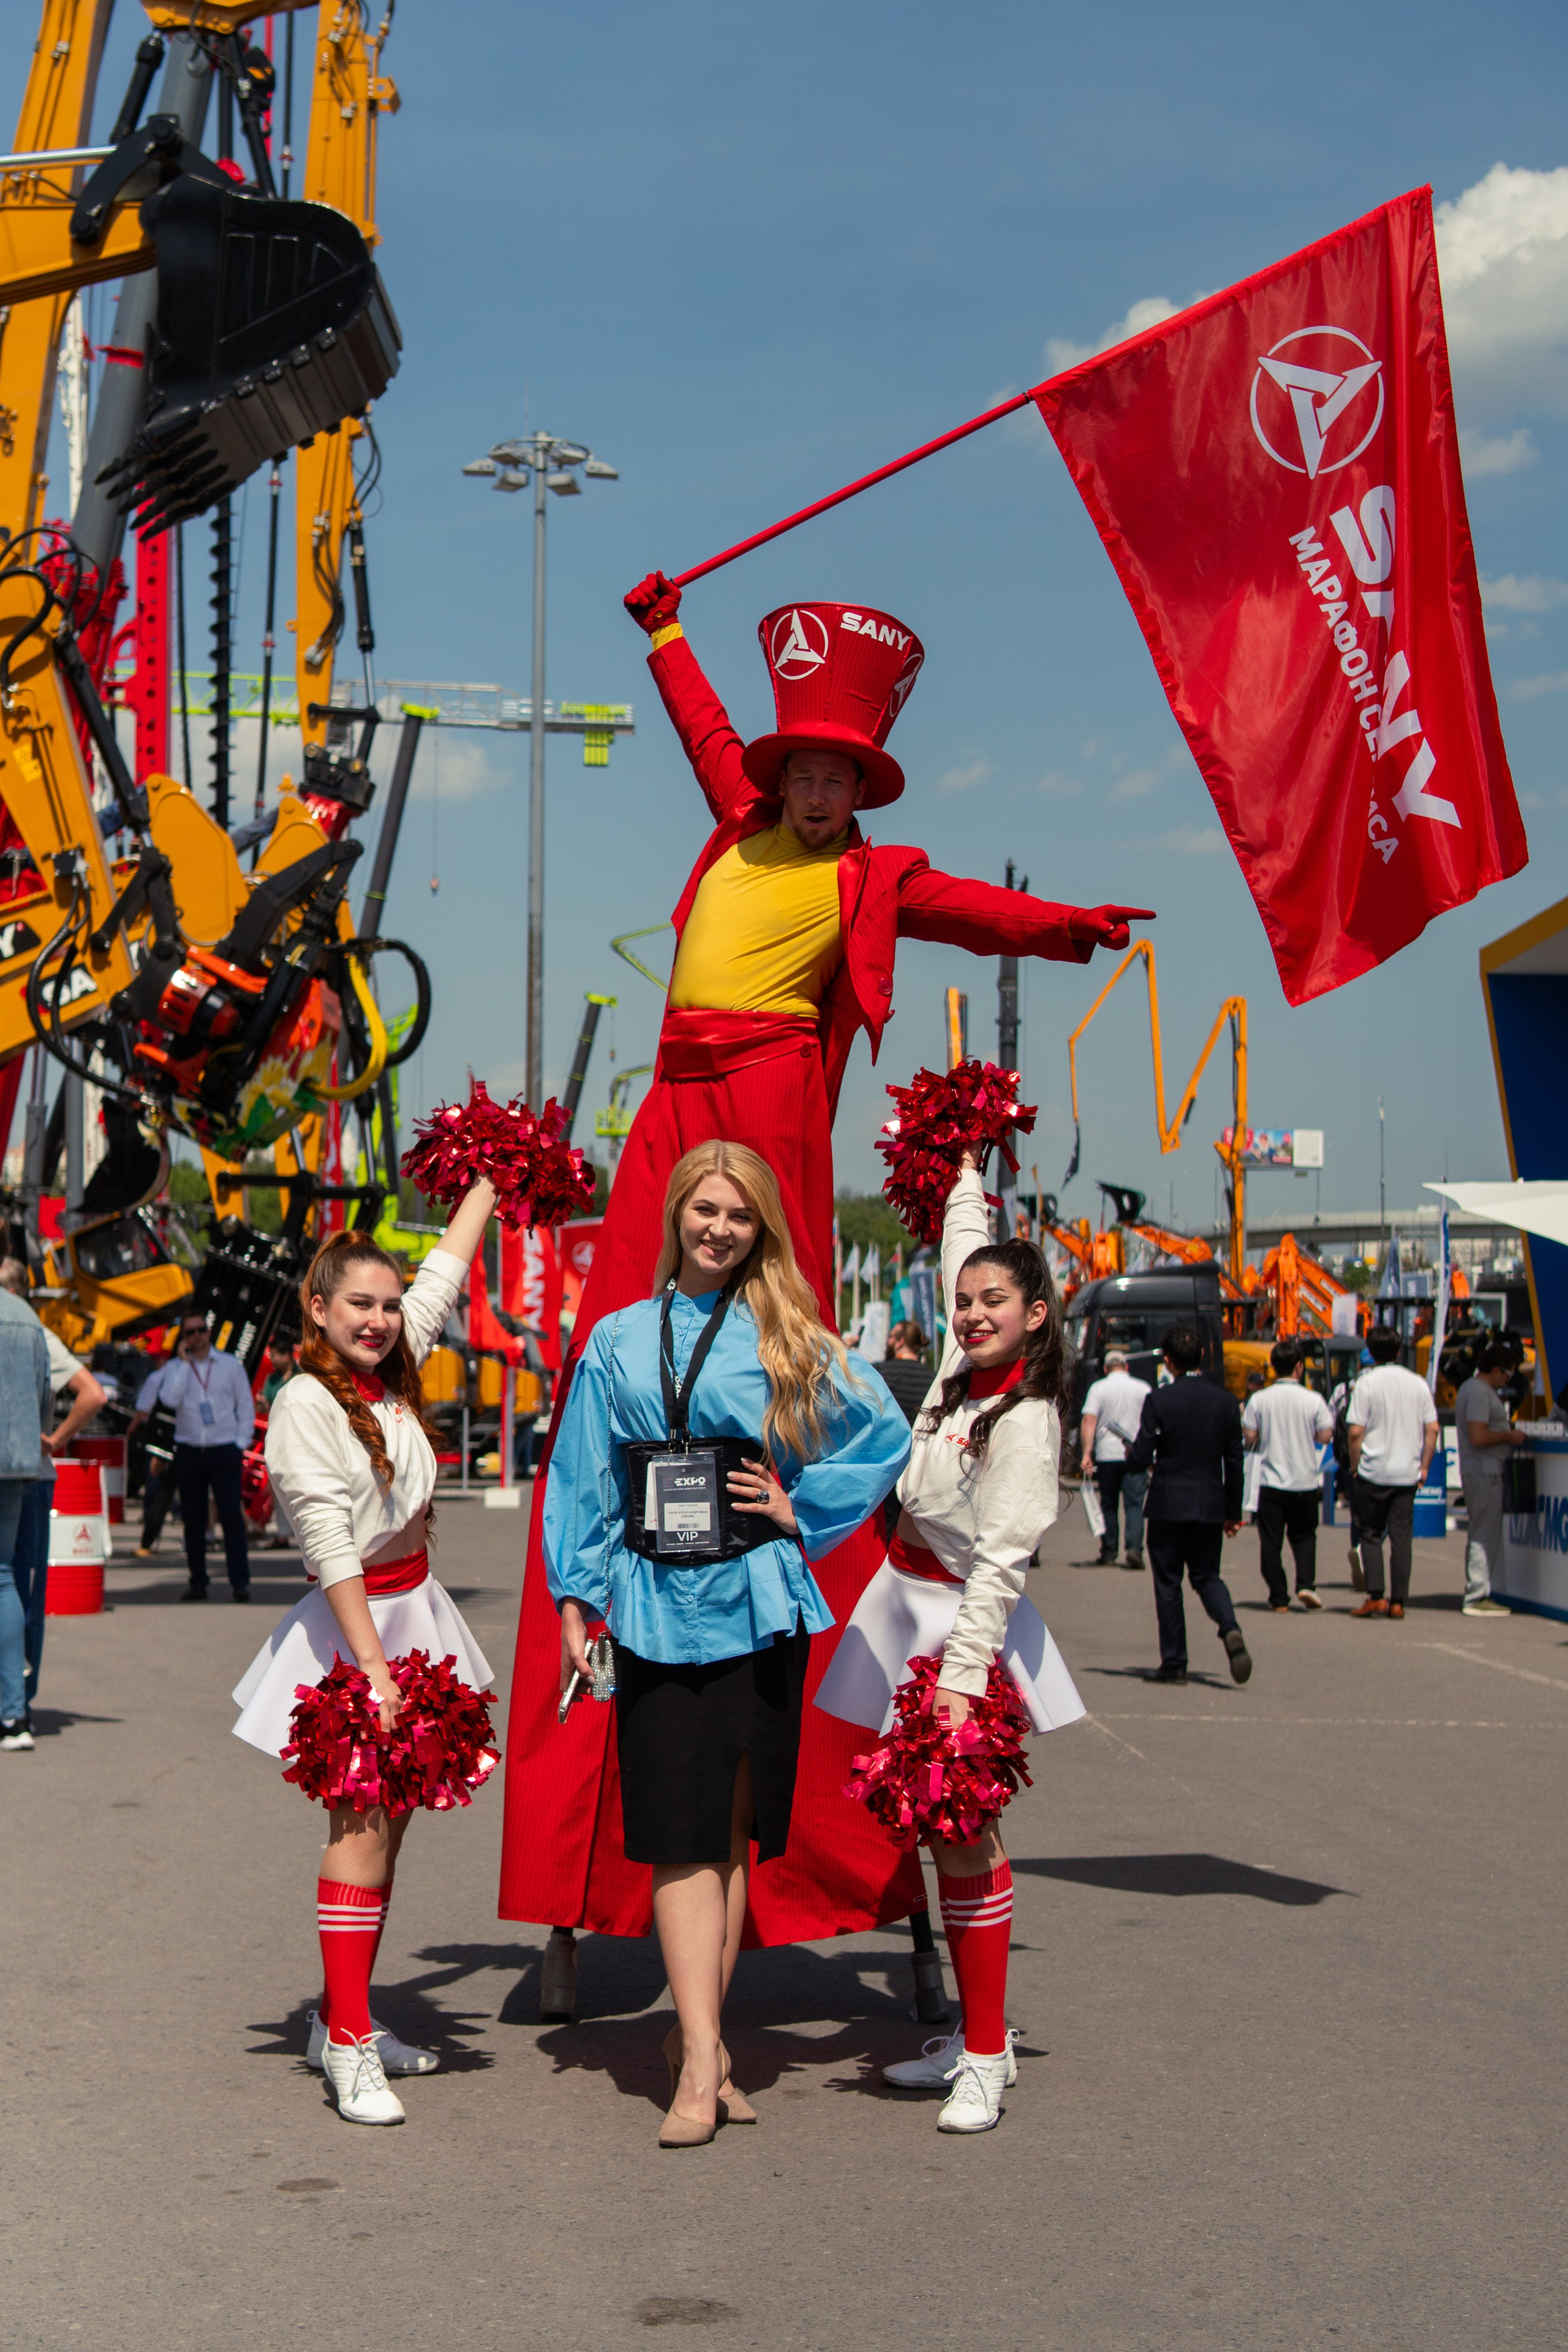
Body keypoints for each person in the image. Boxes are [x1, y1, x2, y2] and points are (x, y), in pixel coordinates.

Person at [499, 575, 1151, 1958]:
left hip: (774, 1080)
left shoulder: (873, 871)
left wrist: (1070, 928)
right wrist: (665, 633)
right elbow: (699, 733)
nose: (811, 788)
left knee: (780, 1331)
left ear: (858, 788)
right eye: (797, 767)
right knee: (623, 1341)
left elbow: (975, 908)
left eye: (833, 774)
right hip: (672, 1085)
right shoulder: (734, 826)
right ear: (777, 774)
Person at [546, 1142, 910, 2146]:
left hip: (757, 1601)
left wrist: (806, 1507)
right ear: (677, 1215)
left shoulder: (788, 1333)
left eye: (739, 1216)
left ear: (762, 1229)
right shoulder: (619, 1339)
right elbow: (582, 1471)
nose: (719, 1229)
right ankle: (703, 2055)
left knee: (735, 1829)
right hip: (655, 1604)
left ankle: (697, 2042)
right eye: (705, 1210)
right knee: (678, 1832)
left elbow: (883, 1437)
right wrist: (575, 1599)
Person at [817, 1153, 1084, 2134]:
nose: (974, 1313)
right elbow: (959, 1245)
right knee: (941, 1835)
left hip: (962, 1628)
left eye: (996, 1303)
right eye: (967, 1301)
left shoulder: (1025, 1422)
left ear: (1037, 1315)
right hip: (909, 1606)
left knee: (966, 1832)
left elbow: (1004, 1564)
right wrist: (964, 1165)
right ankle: (983, 2039)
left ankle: (982, 2055)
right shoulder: (957, 1373)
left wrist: (961, 1683)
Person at [232, 1185, 497, 2127]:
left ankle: (346, 2021)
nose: (382, 1320)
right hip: (358, 1636)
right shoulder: (307, 1399)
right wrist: (376, 1674)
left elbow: (444, 1278)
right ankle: (346, 2043)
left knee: (392, 1836)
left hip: (415, 1615)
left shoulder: (391, 1370)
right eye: (361, 1305)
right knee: (360, 1836)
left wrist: (489, 1179)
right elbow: (328, 1545)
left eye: (388, 1306)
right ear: (317, 1308)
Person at [0, 1260, 105, 1725]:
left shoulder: (27, 1330)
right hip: (34, 1472)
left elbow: (94, 1394)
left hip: (25, 1473)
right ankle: (19, 1694)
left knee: (13, 1584)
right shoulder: (37, 1333)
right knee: (20, 1586)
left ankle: (16, 1695)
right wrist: (54, 1439)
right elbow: (93, 1394)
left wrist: (57, 1439)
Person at [1123, 1327, 1252, 1686]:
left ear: (1168, 1361)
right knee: (1207, 1575)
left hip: (1168, 1503)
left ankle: (1175, 1663)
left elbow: (1142, 1454)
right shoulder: (1226, 1402)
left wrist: (1133, 1458)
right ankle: (1229, 1626)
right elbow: (1235, 1460)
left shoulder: (1160, 1400)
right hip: (1210, 1503)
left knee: (1168, 1583)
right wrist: (1233, 1511)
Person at [127, 1313, 255, 1601]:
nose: (196, 1336)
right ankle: (198, 1581)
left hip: (224, 1449)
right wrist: (185, 1366)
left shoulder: (229, 1366)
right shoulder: (175, 1368)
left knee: (231, 1518)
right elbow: (170, 1400)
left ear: (209, 1333)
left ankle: (240, 1581)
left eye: (200, 1331)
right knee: (194, 1519)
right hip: (189, 1450)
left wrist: (240, 1443)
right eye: (190, 1333)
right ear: (184, 1338)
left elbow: (244, 1405)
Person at [1347, 1327, 1438, 1621]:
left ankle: (1376, 1596)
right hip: (1406, 1472)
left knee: (1370, 1534)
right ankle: (1398, 1601)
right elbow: (1432, 1428)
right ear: (1399, 1351)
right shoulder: (1418, 1384)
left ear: (1370, 1353)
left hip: (1374, 1470)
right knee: (1402, 1537)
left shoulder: (1367, 1383)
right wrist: (1424, 1466)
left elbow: (1355, 1431)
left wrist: (1355, 1465)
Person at [0, 1282, 55, 1752]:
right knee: (4, 1580)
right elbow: (45, 1394)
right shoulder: (25, 1314)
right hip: (17, 1460)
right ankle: (13, 1714)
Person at [1243, 1344, 1333, 1611]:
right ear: (1299, 1367)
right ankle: (1306, 1584)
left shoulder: (1259, 1399)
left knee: (1271, 1541)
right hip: (1304, 1479)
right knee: (1305, 1536)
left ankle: (1279, 1597)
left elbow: (1249, 1435)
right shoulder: (1313, 1399)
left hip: (1270, 1481)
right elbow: (1325, 1435)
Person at [1453, 1340, 1523, 1618]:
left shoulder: (1471, 1389)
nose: (1508, 1380)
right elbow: (1479, 1436)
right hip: (1484, 1471)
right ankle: (1477, 1595)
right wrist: (1509, 1435)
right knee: (1484, 1533)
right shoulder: (1481, 1393)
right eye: (1507, 1374)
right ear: (1496, 1370)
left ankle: (1478, 1591)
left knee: (1481, 1531)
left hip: (1479, 1470)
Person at [1079, 1348, 1151, 1569]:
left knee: (1109, 1504)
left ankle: (1109, 1551)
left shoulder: (1099, 1388)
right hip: (1135, 1454)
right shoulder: (1144, 1388)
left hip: (1108, 1454)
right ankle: (1134, 1549)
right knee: (1134, 1504)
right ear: (1126, 1366)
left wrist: (1086, 1454)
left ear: (1106, 1368)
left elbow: (1089, 1421)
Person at [876, 1319, 932, 1427]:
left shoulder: (879, 1372)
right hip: (919, 1441)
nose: (887, 1341)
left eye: (890, 1336)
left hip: (890, 1441)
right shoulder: (933, 1377)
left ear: (900, 1341)